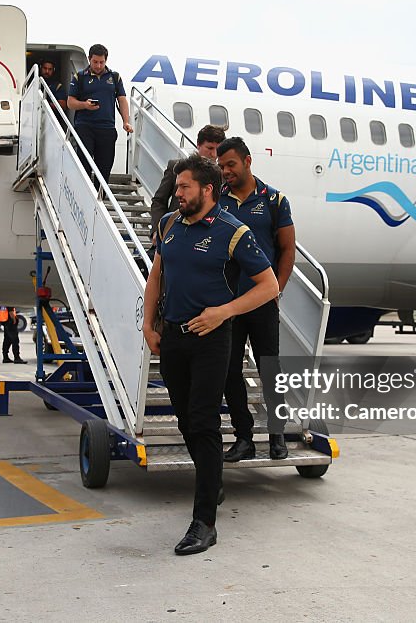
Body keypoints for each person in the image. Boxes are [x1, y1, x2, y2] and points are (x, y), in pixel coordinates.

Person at [142, 154, 278, 556]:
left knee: (202, 422)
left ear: (207, 190)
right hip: (173, 338)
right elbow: (156, 277)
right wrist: (148, 325)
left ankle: (204, 522)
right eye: (177, 187)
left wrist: (225, 311)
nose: (177, 193)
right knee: (186, 420)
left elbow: (268, 286)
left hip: (211, 340)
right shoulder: (168, 225)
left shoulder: (233, 232)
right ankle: (211, 477)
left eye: (184, 187)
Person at [217, 137, 297, 462]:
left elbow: (288, 248)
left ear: (248, 161)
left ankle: (277, 435)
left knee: (269, 369)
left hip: (263, 300)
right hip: (230, 303)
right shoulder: (217, 201)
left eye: (231, 165)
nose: (225, 172)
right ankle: (244, 437)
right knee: (229, 372)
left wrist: (278, 287)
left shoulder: (275, 199)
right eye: (221, 167)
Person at [67, 44, 133, 185]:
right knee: (84, 162)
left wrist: (125, 121)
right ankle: (82, 191)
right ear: (89, 59)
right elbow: (70, 103)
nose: (98, 66)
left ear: (106, 60)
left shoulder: (114, 77)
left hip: (107, 127)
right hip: (85, 126)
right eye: (95, 62)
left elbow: (122, 100)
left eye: (101, 62)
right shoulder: (80, 77)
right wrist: (84, 105)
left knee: (104, 167)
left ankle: (100, 196)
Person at [149, 124, 226, 239]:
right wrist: (157, 230)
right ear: (198, 145)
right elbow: (159, 201)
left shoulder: (224, 175)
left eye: (217, 150)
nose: (214, 154)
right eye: (209, 148)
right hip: (175, 232)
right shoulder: (176, 168)